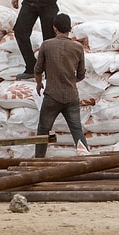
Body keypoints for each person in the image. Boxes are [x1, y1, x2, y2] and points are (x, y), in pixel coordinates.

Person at [34, 13, 88, 158]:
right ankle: (86, 158)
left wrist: (39, 84)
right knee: (77, 130)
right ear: (70, 28)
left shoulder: (46, 45)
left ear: (54, 28)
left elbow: (38, 69)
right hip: (71, 96)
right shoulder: (78, 47)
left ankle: (39, 161)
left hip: (52, 95)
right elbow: (81, 74)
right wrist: (71, 81)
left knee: (43, 129)